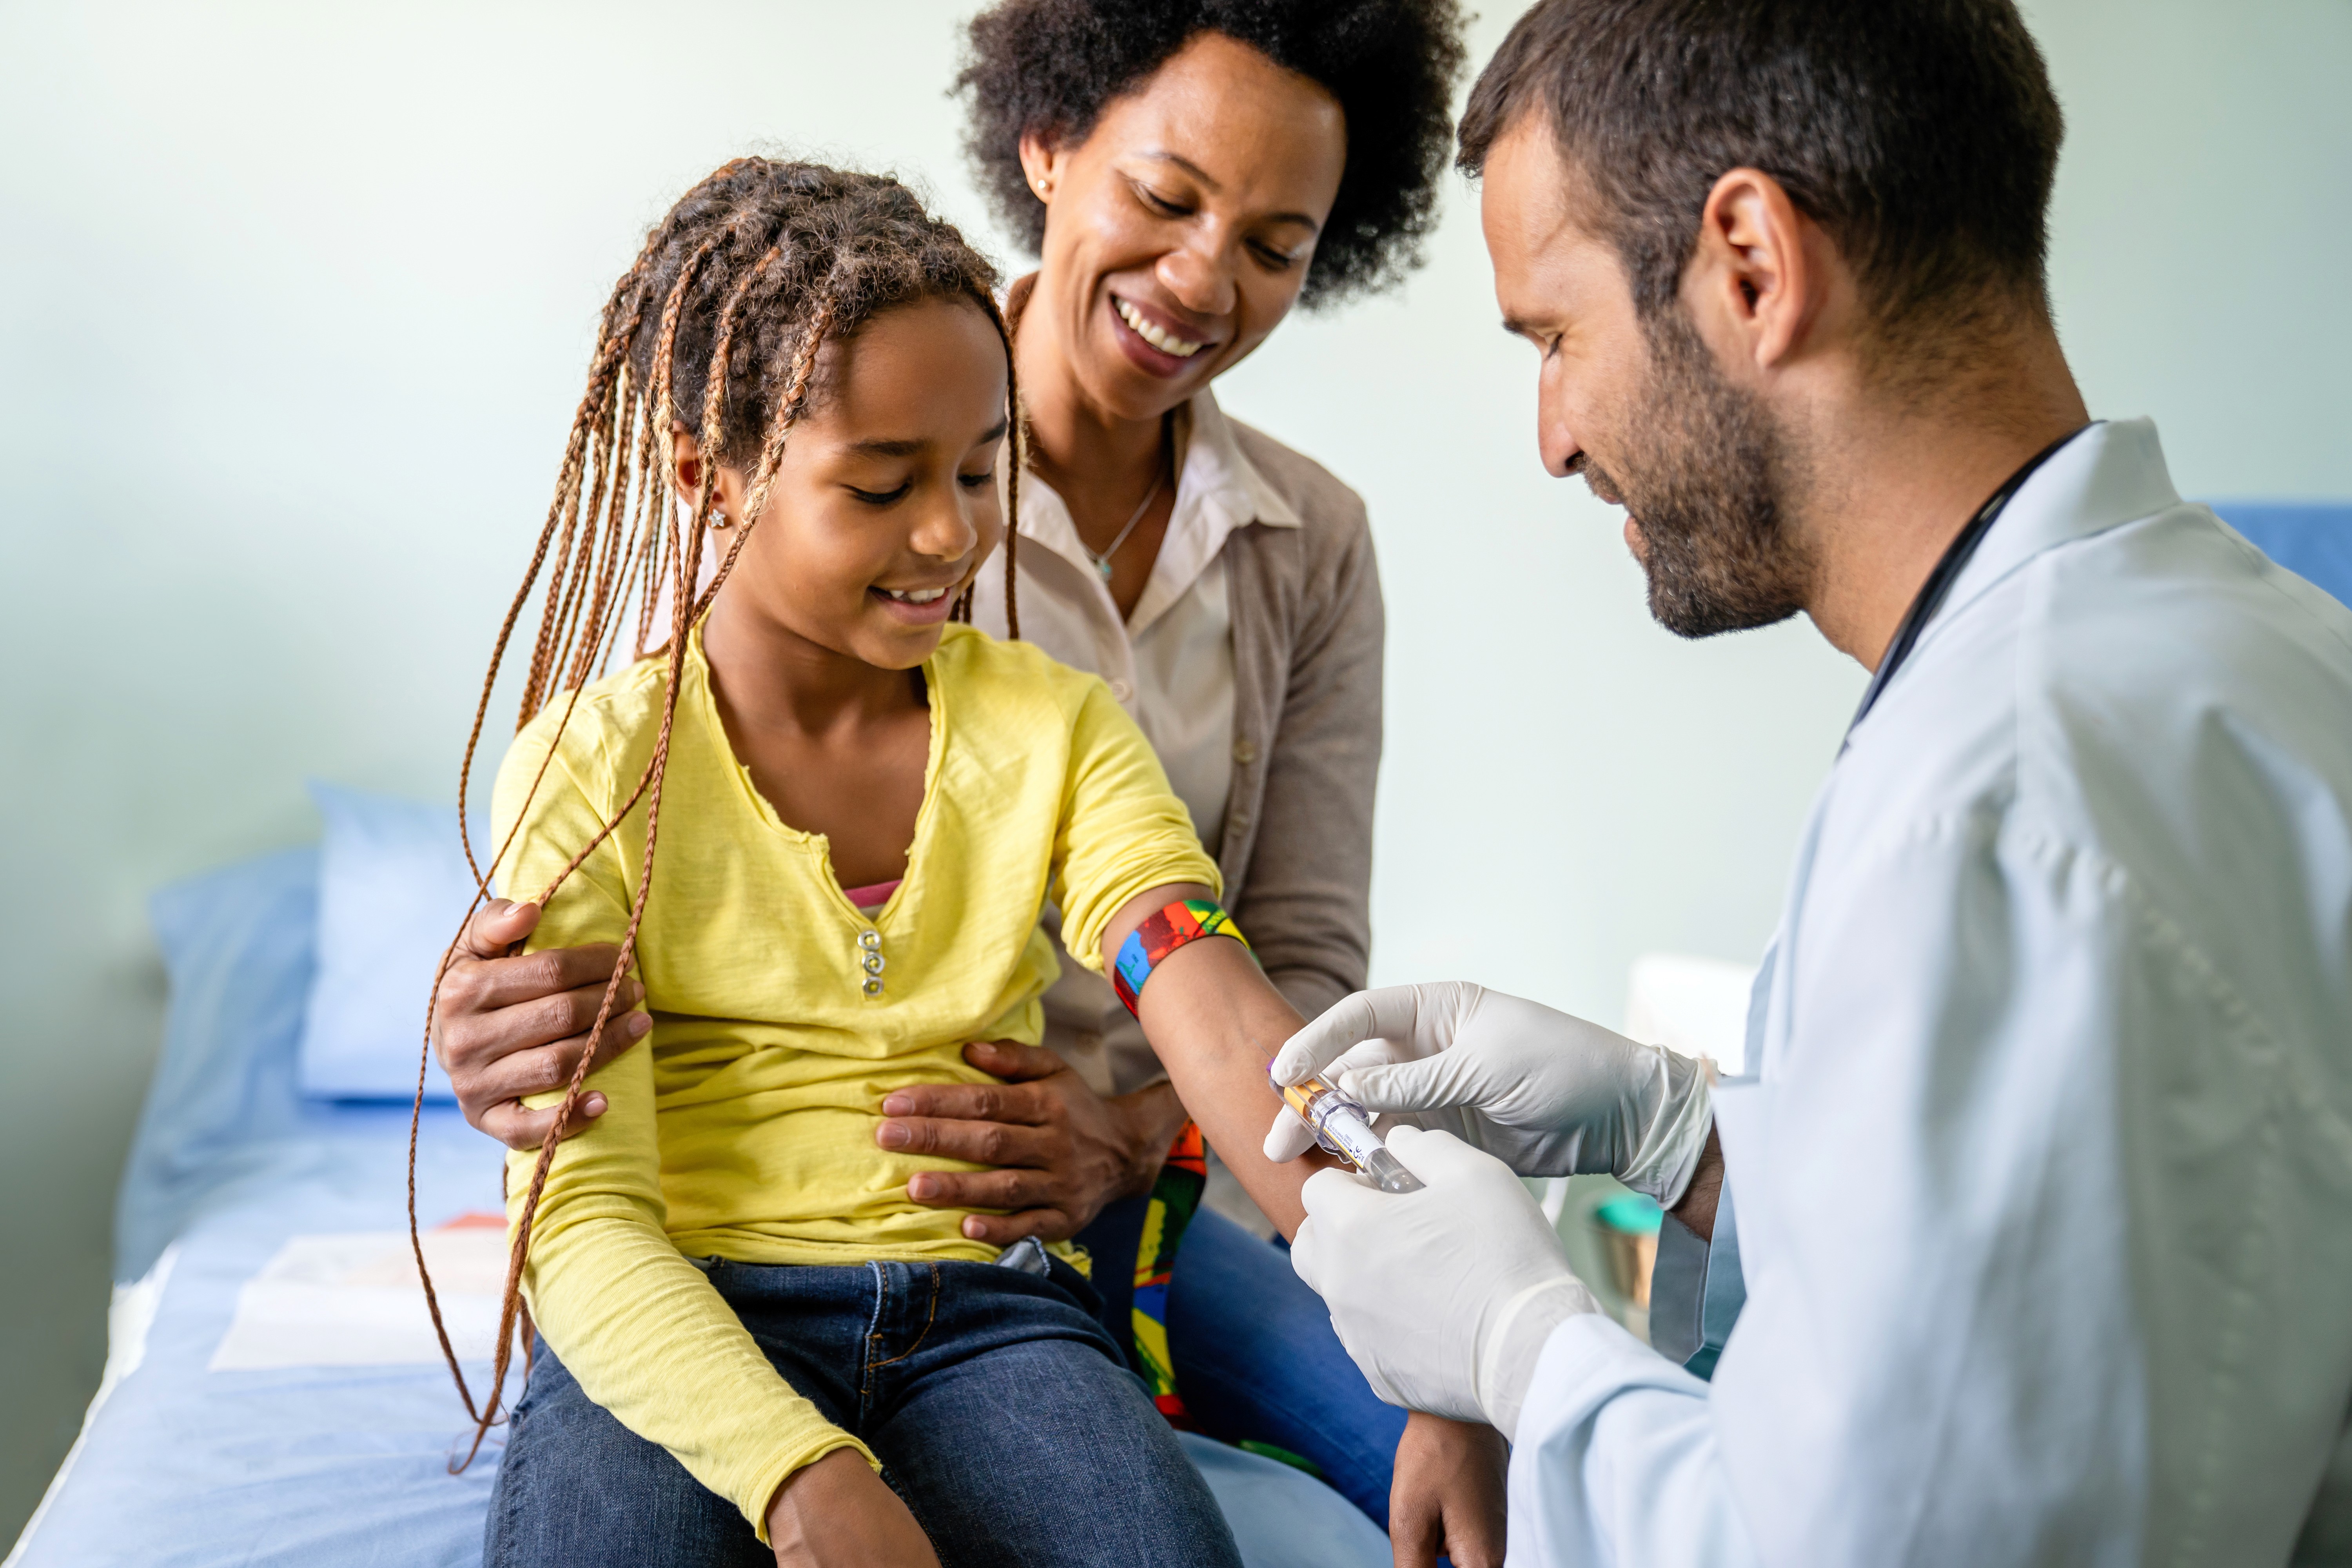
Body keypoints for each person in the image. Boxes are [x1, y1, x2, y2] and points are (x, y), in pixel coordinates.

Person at [1264, 2, 2352, 1564]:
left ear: (1753, 267)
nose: (1555, 439)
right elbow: (2108, 1263)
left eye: (1557, 338)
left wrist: (1523, 1347)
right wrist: (1686, 1139)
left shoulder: (2002, 809)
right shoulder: (2253, 650)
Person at [432, 4, 1505, 1560]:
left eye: (978, 474)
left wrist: (1436, 1302)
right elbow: (584, 1210)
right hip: (704, 1267)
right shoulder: (619, 754)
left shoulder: (1083, 701)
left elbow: (1224, 979)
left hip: (1038, 1257)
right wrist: (806, 1480)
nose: (952, 534)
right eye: (885, 485)